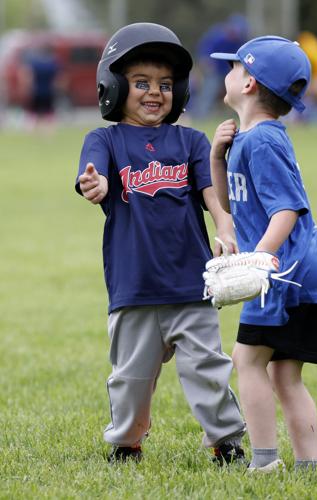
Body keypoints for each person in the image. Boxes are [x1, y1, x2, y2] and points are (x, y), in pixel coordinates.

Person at [75, 23, 246, 465]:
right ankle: (127, 442)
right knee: (131, 378)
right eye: (141, 83)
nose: (155, 93)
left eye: (165, 84)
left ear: (181, 90)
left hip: (192, 285)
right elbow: (91, 174)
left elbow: (212, 194)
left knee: (208, 368)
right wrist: (93, 184)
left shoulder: (191, 141)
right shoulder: (105, 140)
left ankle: (225, 441)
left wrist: (225, 226)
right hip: (134, 289)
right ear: (113, 86)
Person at [209, 36, 317, 473]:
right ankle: (308, 467)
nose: (226, 73)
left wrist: (258, 258)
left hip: (285, 273)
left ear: (248, 84)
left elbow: (287, 209)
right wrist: (216, 155)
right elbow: (231, 205)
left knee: (247, 361)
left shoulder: (263, 141)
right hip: (299, 272)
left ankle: (264, 463)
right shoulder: (249, 139)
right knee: (284, 374)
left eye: (234, 67)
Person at [192, 14, 249, 118]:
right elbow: (204, 49)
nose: (236, 34)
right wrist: (205, 61)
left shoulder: (241, 40)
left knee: (238, 90)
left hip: (229, 69)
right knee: (210, 90)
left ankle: (238, 114)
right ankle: (201, 115)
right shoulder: (217, 34)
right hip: (214, 68)